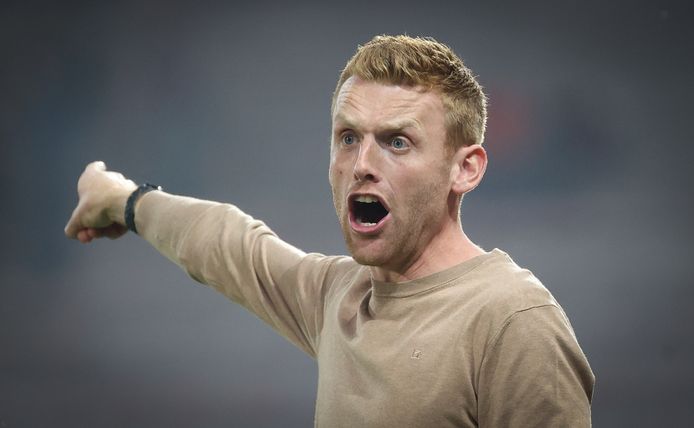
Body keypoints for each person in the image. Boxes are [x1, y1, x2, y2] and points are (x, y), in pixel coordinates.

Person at [65, 35, 594, 427]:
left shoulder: (513, 322)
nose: (362, 162)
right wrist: (120, 199)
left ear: (466, 169)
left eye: (397, 141)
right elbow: (228, 243)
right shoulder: (341, 297)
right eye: (347, 138)